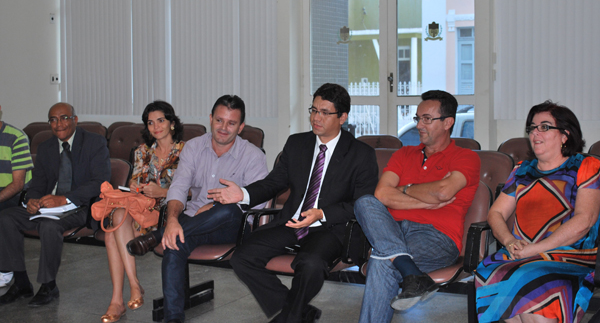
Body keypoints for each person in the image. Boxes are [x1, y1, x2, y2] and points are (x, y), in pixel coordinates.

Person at [208, 83, 379, 323]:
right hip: (292, 222)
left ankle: (289, 318)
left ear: (342, 117)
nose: (316, 118)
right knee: (242, 257)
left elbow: (362, 204)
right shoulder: (297, 144)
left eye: (324, 112)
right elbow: (274, 182)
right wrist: (243, 194)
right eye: (314, 110)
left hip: (330, 228)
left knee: (310, 264)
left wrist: (321, 213)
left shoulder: (361, 154)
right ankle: (299, 312)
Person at [126, 95, 268, 323]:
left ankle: (156, 236)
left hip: (232, 227)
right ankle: (173, 318)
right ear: (211, 119)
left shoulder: (253, 156)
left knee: (228, 210)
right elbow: (179, 188)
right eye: (219, 120)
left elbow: (258, 202)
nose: (223, 128)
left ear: (241, 127)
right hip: (193, 222)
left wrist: (215, 206)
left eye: (231, 123)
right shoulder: (193, 147)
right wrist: (172, 220)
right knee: (174, 242)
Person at [353, 90, 481, 322]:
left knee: (382, 261)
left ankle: (405, 267)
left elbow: (443, 192)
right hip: (391, 230)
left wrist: (403, 190)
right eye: (418, 118)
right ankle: (411, 272)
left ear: (448, 123)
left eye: (427, 119)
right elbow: (381, 194)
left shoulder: (466, 157)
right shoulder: (403, 154)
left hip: (436, 238)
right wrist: (425, 198)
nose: (419, 125)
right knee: (365, 202)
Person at [475, 101, 600, 323]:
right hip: (521, 252)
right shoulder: (522, 170)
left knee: (529, 276)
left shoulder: (586, 166)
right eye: (532, 128)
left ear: (565, 135)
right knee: (491, 270)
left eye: (544, 127)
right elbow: (496, 214)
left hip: (569, 255)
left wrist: (535, 249)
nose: (535, 133)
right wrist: (509, 241)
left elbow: (585, 220)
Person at [0, 102, 111, 307]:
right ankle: (21, 283)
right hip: (49, 206)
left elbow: (100, 182)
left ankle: (48, 285)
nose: (58, 124)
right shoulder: (46, 147)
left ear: (75, 120)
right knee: (6, 218)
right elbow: (38, 184)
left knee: (49, 226)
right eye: (53, 119)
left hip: (81, 206)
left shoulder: (94, 142)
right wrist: (32, 200)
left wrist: (65, 199)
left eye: (64, 118)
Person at [101, 101, 185, 323]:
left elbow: (193, 191)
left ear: (172, 123)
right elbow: (135, 183)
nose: (156, 127)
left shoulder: (186, 151)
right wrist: (137, 187)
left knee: (111, 234)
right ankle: (132, 286)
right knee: (117, 218)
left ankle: (119, 299)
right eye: (150, 123)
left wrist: (163, 192)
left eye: (161, 121)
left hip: (171, 214)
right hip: (142, 211)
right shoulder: (142, 152)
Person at [0, 105, 34, 288]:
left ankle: (5, 269)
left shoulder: (16, 137)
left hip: (16, 193)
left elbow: (17, 184)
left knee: (4, 215)